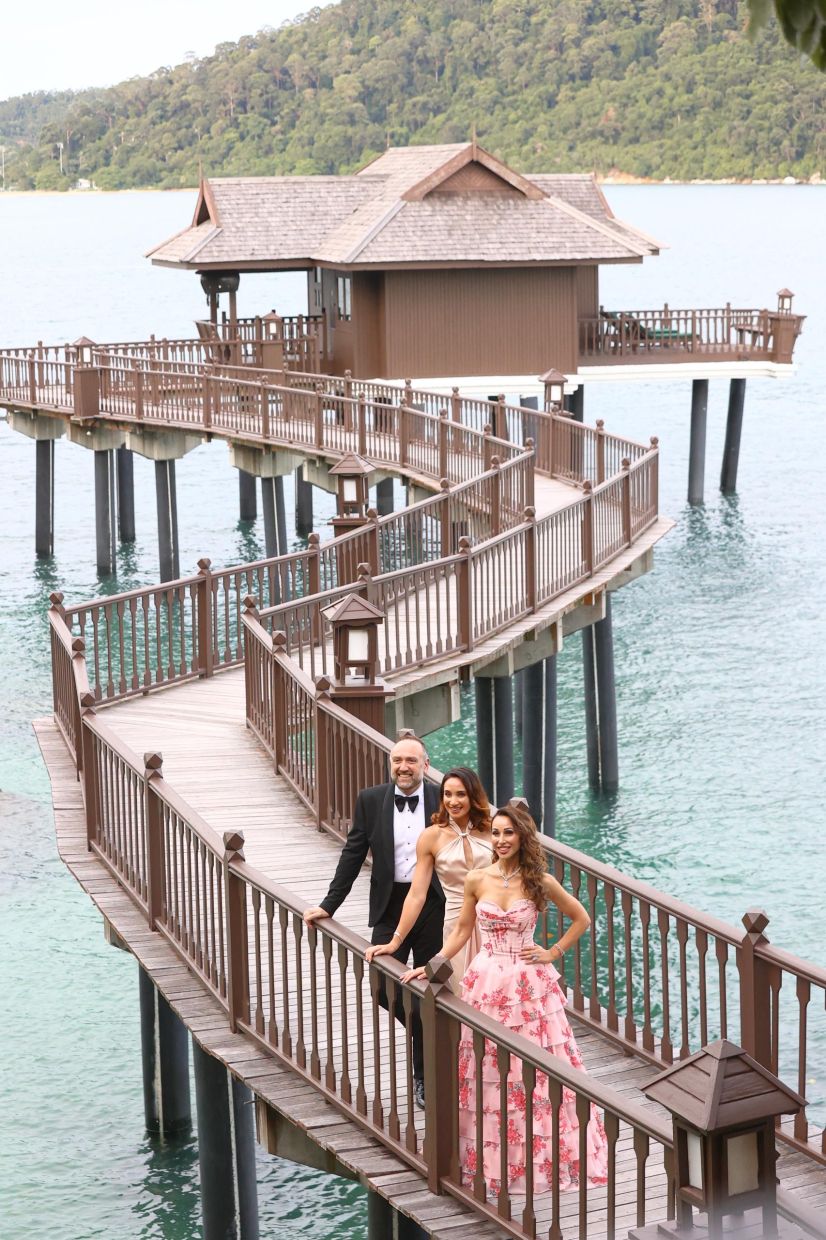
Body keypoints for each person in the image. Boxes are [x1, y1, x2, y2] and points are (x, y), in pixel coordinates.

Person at [403, 801, 608, 1196]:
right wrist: (431, 965)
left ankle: (541, 1157)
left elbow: (582, 917)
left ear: (522, 837)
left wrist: (553, 952)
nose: (500, 840)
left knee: (535, 1069)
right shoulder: (477, 879)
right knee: (487, 1068)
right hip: (486, 980)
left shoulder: (539, 881)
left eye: (508, 833)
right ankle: (490, 1161)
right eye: (495, 833)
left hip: (528, 986)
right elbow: (462, 932)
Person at [303, 733, 443, 1108]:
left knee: (431, 984)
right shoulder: (370, 800)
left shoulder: (443, 798)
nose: (403, 767)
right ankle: (429, 1033)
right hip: (389, 902)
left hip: (433, 904)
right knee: (384, 989)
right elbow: (352, 854)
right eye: (397, 760)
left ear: (425, 766)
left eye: (411, 760)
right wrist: (329, 905)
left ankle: (424, 1078)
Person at [366, 767, 493, 994]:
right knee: (464, 993)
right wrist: (396, 941)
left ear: (474, 796)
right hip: (456, 924)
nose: (453, 801)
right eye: (447, 794)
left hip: (495, 923)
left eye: (461, 794)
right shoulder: (431, 836)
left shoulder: (493, 831)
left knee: (497, 992)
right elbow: (417, 895)